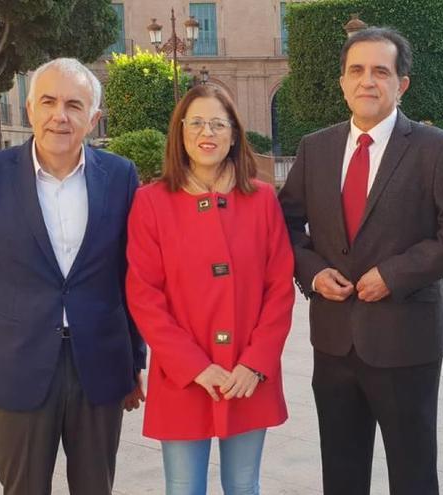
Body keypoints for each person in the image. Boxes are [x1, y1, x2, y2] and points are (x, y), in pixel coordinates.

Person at [278, 27, 443, 495]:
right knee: (342, 475)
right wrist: (311, 271)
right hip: (333, 343)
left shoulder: (435, 149)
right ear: (343, 81)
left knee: (412, 475)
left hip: (406, 344)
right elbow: (283, 227)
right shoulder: (316, 148)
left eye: (381, 72)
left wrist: (394, 274)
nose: (368, 81)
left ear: (401, 84)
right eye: (357, 71)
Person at [0, 58, 146, 495]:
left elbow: (131, 277)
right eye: (49, 102)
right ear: (30, 111)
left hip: (99, 366)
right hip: (15, 368)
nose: (61, 115)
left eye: (75, 105)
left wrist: (135, 362)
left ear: (93, 119)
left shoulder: (119, 176)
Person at [125, 85, 295, 495]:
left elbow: (279, 289)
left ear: (234, 135)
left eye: (219, 123)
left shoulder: (263, 200)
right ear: (180, 132)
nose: (208, 132)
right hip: (183, 378)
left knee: (243, 485)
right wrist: (194, 366)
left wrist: (255, 363)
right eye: (197, 122)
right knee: (182, 488)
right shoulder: (150, 202)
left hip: (246, 377)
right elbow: (144, 295)